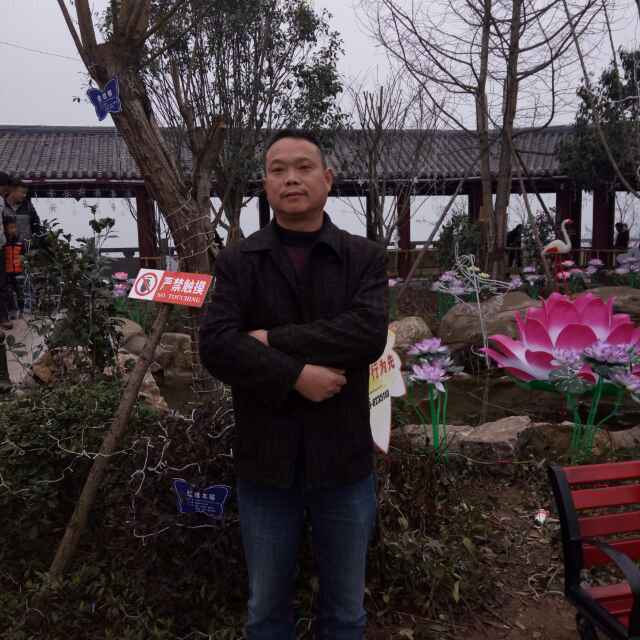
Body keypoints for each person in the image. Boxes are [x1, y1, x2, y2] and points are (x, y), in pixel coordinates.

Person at [199, 129, 388, 640]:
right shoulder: (239, 261)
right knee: (266, 610)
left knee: (346, 612)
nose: (291, 179)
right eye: (278, 169)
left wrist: (271, 338)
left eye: (303, 167)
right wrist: (296, 376)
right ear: (265, 184)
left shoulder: (363, 257)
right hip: (266, 462)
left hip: (343, 460)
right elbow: (216, 345)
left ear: (327, 178)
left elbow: (366, 334)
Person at [4, 178, 41, 244]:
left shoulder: (28, 206)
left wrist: (36, 241)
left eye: (25, 193)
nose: (24, 195)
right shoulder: (2, 205)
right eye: (22, 192)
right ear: (13, 190)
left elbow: (36, 224)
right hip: (6, 246)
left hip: (26, 246)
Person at [3, 216, 26, 318]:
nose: (13, 230)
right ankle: (11, 311)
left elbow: (24, 254)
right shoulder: (4, 241)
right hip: (7, 271)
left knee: (19, 291)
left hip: (18, 271)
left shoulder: (20, 240)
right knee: (8, 292)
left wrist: (23, 259)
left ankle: (21, 311)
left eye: (14, 227)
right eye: (10, 228)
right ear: (5, 228)